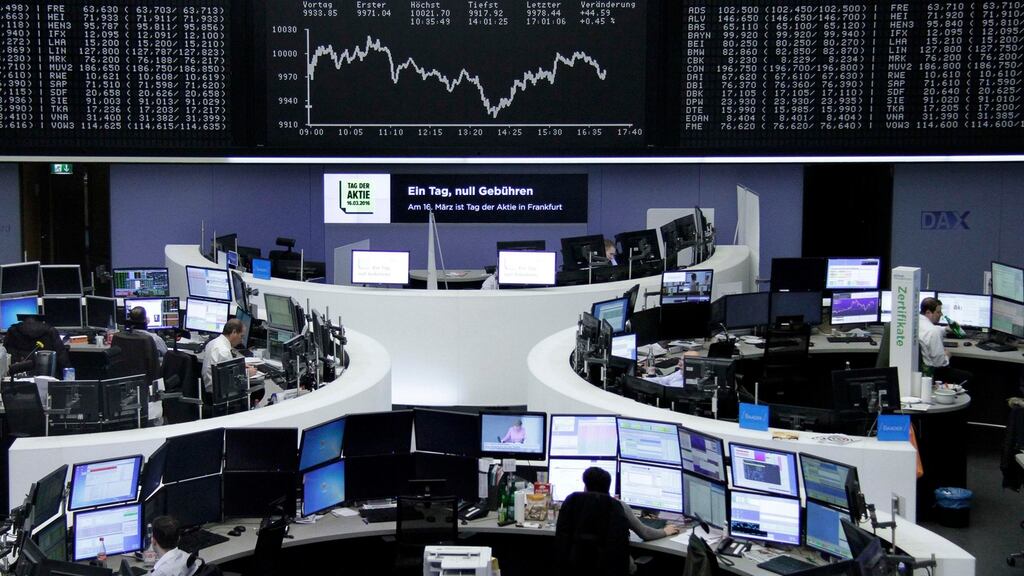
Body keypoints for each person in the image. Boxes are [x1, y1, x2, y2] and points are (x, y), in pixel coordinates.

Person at [557, 466, 679, 575]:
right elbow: (645, 533)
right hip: (613, 569)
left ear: (585, 486)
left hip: (575, 566)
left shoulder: (572, 502)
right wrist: (665, 531)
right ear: (608, 487)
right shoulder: (618, 506)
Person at [919, 297, 972, 387]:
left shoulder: (917, 322)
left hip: (922, 372)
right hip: (935, 373)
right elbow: (939, 363)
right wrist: (947, 355)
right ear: (928, 312)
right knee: (968, 376)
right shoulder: (933, 331)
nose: (941, 314)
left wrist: (945, 329)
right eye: (938, 312)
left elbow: (931, 330)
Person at [3, 313, 70, 373]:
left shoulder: (12, 330)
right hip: (45, 374)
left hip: (17, 373)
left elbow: (4, 354)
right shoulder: (50, 330)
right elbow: (62, 357)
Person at [201, 318, 254, 392]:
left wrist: (239, 366)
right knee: (259, 389)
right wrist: (246, 374)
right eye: (241, 336)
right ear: (234, 332)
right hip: (218, 392)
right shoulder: (224, 351)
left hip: (210, 387)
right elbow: (230, 382)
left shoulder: (213, 342)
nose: (241, 341)